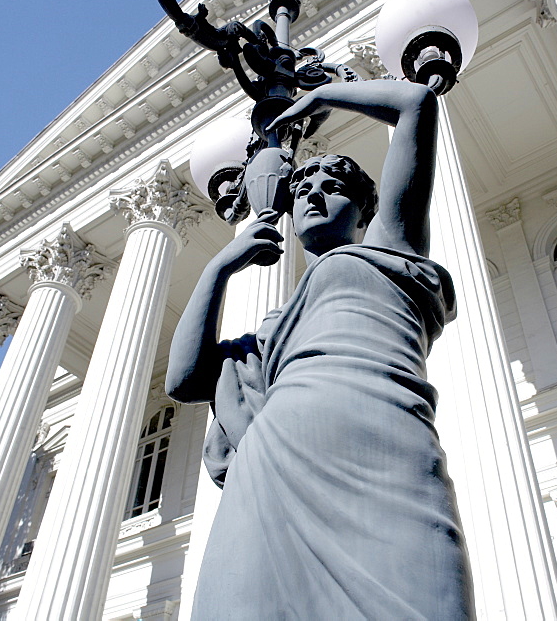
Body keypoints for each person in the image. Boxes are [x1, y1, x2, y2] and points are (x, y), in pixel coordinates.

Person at [166, 79, 474, 619]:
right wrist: (220, 267)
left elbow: (416, 105)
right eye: (302, 187)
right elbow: (185, 380)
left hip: (388, 453)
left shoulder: (388, 247)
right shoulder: (270, 330)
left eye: (332, 185)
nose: (311, 194)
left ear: (363, 210)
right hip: (272, 472)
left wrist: (320, 97)